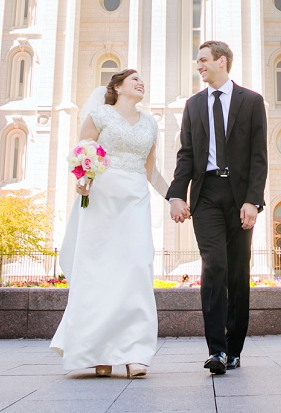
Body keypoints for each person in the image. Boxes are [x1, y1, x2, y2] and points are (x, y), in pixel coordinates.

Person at [50, 69, 169, 378]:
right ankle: (98, 352)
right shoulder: (100, 115)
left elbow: (151, 169)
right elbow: (82, 152)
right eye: (134, 80)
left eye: (143, 80)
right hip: (101, 198)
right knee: (100, 272)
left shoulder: (150, 124)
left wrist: (175, 197)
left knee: (136, 268)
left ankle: (135, 353)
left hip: (134, 199)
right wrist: (82, 180)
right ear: (117, 87)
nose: (141, 83)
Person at [166, 41, 268, 374]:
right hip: (206, 194)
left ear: (222, 62)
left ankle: (234, 346)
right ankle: (217, 350)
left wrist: (253, 200)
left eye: (203, 60)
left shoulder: (251, 102)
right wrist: (177, 194)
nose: (199, 66)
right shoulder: (193, 105)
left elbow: (258, 157)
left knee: (238, 273)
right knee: (214, 266)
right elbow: (186, 154)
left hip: (239, 197)